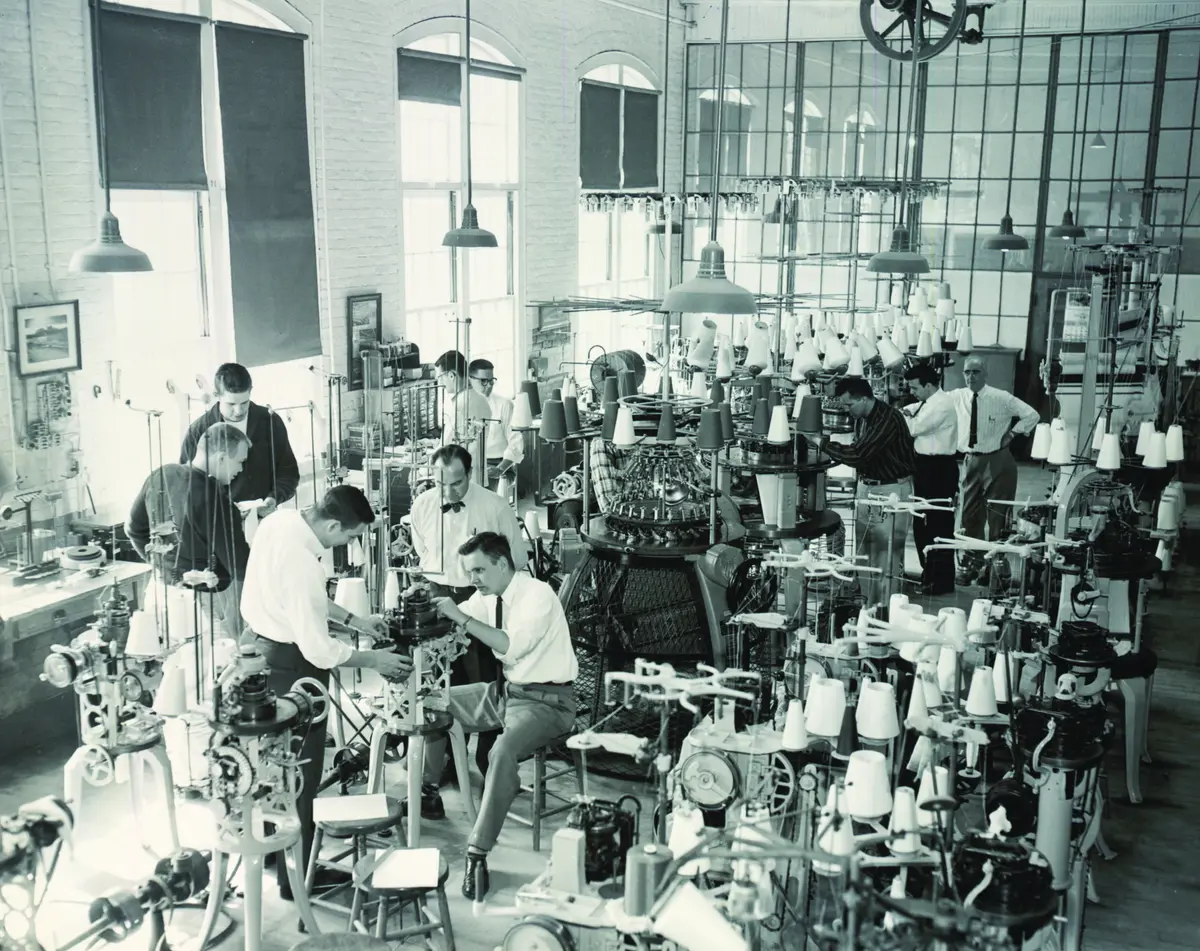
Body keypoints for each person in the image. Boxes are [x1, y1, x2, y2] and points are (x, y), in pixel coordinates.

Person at [240, 484, 413, 901]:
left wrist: (355, 620)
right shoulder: (302, 563)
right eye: (350, 536)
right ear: (333, 525)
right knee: (299, 773)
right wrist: (373, 660)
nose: (348, 544)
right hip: (292, 667)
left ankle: (273, 854)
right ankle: (295, 880)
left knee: (271, 770)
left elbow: (305, 602)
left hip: (258, 653)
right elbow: (318, 649)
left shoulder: (281, 520)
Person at [427, 532, 579, 901]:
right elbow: (459, 619)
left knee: (502, 752)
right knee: (431, 703)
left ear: (501, 563)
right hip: (507, 693)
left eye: (478, 570)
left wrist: (459, 616)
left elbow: (510, 647)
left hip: (549, 702)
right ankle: (426, 789)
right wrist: (425, 612)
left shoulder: (537, 595)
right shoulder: (488, 596)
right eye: (469, 571)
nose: (473, 578)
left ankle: (477, 853)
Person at [409, 444, 526, 777]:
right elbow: (422, 550)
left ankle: (489, 763)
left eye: (456, 483)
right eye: (440, 483)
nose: (448, 492)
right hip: (437, 597)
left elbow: (516, 560)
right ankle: (444, 762)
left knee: (485, 681)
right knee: (440, 683)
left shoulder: (495, 507)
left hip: (482, 599)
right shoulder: (422, 504)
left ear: (471, 474)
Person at [127, 422, 251, 632]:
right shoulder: (217, 501)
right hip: (201, 603)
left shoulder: (162, 475)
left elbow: (133, 529)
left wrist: (160, 563)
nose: (240, 470)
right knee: (214, 652)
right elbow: (240, 566)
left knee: (163, 651)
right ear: (221, 458)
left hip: (159, 593)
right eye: (240, 462)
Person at [819, 377, 918, 608]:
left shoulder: (888, 419)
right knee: (864, 552)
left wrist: (820, 443)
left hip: (891, 490)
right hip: (868, 488)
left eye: (849, 404)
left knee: (886, 556)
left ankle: (884, 613)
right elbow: (860, 452)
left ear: (864, 399)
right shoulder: (862, 418)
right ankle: (867, 607)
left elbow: (858, 455)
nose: (846, 410)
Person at [951, 357, 1040, 585]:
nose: (971, 376)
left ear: (985, 374)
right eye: (967, 372)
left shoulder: (1001, 398)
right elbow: (934, 404)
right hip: (971, 461)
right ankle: (972, 560)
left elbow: (1032, 415)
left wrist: (1012, 434)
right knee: (969, 513)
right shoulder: (957, 397)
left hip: (999, 460)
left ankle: (997, 564)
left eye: (976, 372)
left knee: (999, 514)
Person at [180, 363, 300, 513]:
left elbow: (288, 473)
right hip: (220, 520)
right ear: (216, 395)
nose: (238, 411)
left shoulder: (270, 421)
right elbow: (187, 484)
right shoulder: (198, 431)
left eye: (244, 403)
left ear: (250, 391)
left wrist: (274, 498)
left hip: (265, 518)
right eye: (231, 404)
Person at [902, 364, 959, 595]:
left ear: (928, 385)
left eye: (915, 388)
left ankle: (939, 581)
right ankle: (929, 574)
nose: (912, 392)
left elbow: (912, 428)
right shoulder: (929, 401)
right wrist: (906, 412)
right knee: (922, 522)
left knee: (937, 525)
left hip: (938, 469)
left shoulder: (941, 404)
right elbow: (910, 409)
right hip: (926, 467)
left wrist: (903, 417)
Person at [468, 358, 524, 484]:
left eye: (491, 381)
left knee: (483, 492)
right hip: (471, 464)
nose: (489, 386)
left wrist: (500, 469)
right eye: (483, 381)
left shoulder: (504, 405)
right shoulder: (464, 405)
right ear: (469, 379)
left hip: (498, 463)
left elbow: (516, 443)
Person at [436, 351, 491, 449]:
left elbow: (444, 448)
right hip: (477, 458)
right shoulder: (481, 399)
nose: (440, 382)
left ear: (451, 375)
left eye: (440, 377)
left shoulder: (460, 405)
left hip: (460, 458)